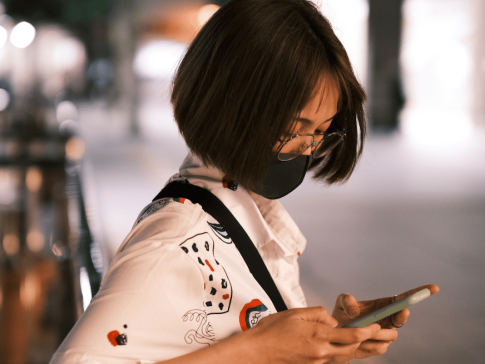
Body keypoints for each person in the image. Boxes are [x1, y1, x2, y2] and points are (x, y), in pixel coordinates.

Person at [50, 0, 439, 363]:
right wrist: (256, 348)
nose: (305, 150)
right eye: (295, 128)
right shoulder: (175, 240)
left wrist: (325, 343)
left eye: (320, 132)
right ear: (230, 106)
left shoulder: (246, 213)